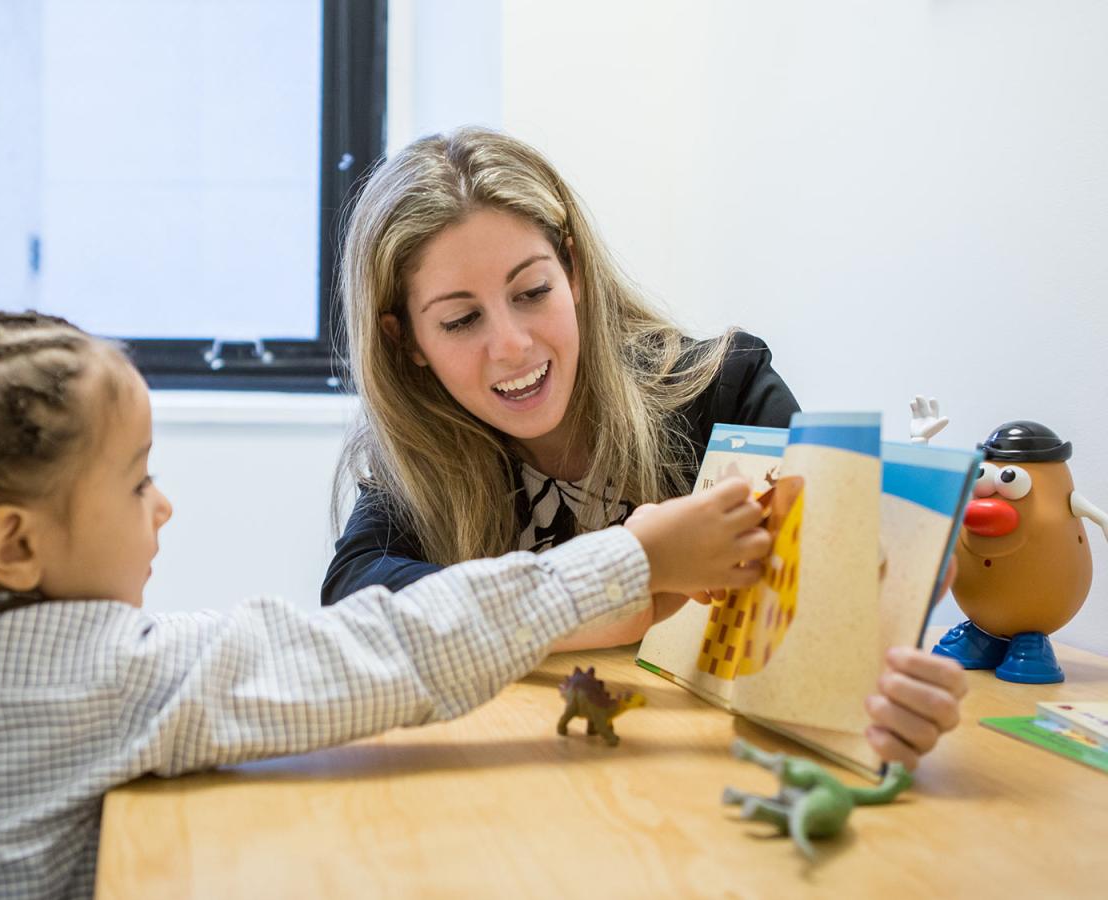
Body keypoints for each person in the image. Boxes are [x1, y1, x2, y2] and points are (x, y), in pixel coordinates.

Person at [0, 306, 771, 899]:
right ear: (13, 546)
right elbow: (392, 646)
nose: (164, 506)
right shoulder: (109, 684)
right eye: (134, 483)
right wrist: (629, 557)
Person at [323, 127, 966, 768]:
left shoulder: (725, 388)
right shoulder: (418, 461)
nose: (513, 344)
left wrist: (887, 648)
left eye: (532, 292)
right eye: (462, 320)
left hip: (697, 778)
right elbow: (358, 605)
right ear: (406, 341)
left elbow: (839, 581)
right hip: (515, 782)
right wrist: (625, 586)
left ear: (572, 270)